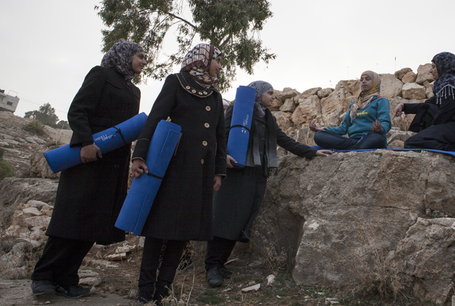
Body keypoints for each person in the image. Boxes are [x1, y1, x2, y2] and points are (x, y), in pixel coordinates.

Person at [31, 39, 146, 298]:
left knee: (92, 223)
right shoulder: (100, 75)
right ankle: (43, 277)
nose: (143, 61)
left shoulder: (134, 91)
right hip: (86, 159)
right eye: (139, 56)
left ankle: (67, 278)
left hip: (112, 164)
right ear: (124, 55)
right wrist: (85, 142)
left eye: (145, 58)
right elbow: (78, 110)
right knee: (71, 219)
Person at [204, 81, 333, 288]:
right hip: (236, 173)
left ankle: (220, 264)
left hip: (257, 175)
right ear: (258, 94)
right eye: (270, 93)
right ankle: (211, 267)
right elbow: (221, 136)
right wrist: (223, 156)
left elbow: (283, 140)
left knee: (240, 222)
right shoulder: (240, 111)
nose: (274, 97)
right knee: (224, 219)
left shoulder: (267, 117)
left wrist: (312, 151)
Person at [130, 43, 227, 304]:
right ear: (203, 60)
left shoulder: (216, 96)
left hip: (202, 173)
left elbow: (220, 137)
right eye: (217, 60)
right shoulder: (176, 82)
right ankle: (144, 288)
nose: (220, 66)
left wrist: (219, 172)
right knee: (159, 229)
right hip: (173, 169)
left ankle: (163, 289)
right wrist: (139, 154)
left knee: (183, 231)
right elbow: (155, 118)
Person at [393, 51, 455, 152]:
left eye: (433, 67)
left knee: (413, 142)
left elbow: (444, 114)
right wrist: (404, 106)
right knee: (427, 109)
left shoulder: (451, 85)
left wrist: (429, 132)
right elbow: (429, 104)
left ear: (443, 67)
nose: (430, 71)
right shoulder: (451, 83)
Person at [309, 70, 391, 150]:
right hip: (353, 141)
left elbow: (385, 122)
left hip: (371, 138)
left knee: (376, 138)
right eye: (361, 80)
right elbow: (344, 128)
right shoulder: (354, 104)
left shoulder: (381, 101)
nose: (363, 81)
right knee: (319, 135)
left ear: (375, 82)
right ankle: (355, 147)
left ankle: (350, 148)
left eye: (367, 79)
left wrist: (381, 129)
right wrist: (323, 129)